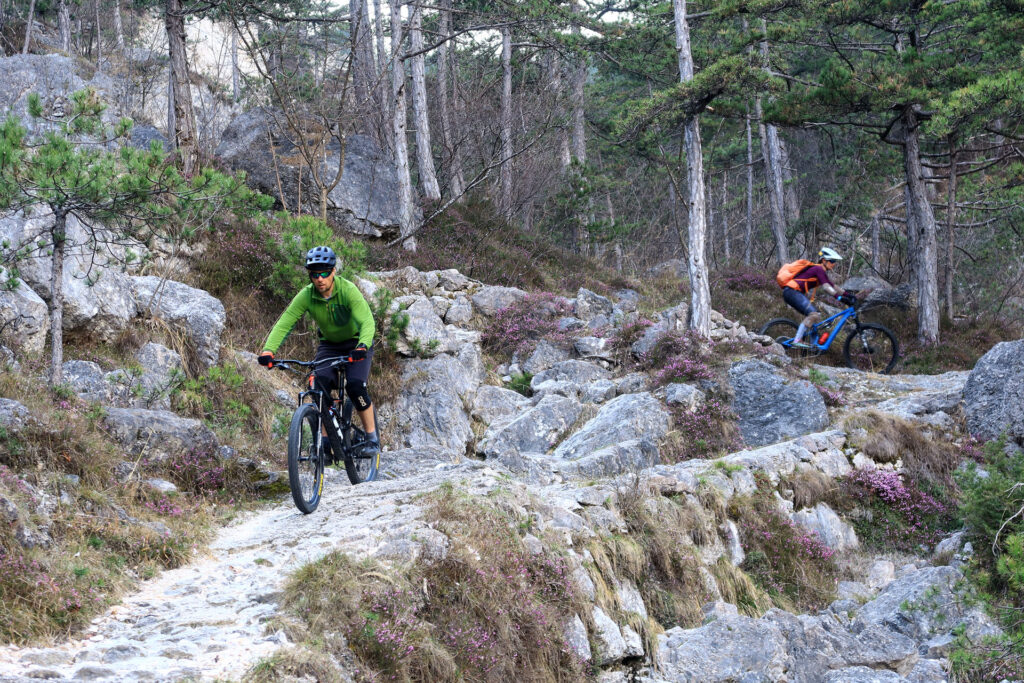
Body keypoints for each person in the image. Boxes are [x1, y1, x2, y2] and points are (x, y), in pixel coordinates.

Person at [257, 246, 379, 456]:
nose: (320, 279)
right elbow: (285, 322)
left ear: (333, 272)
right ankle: (326, 442)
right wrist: (269, 350)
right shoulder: (307, 295)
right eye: (315, 274)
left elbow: (367, 321)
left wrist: (363, 345)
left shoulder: (348, 290)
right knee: (318, 387)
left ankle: (371, 438)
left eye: (324, 273)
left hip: (356, 343)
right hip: (329, 346)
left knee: (356, 386)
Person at [780, 247, 853, 348]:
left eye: (834, 261)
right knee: (814, 314)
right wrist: (839, 298)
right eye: (832, 261)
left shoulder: (821, 271)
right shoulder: (818, 269)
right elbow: (826, 287)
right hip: (792, 292)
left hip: (792, 293)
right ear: (824, 260)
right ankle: (797, 340)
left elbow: (833, 286)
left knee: (817, 317)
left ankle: (814, 346)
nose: (834, 264)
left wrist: (848, 295)